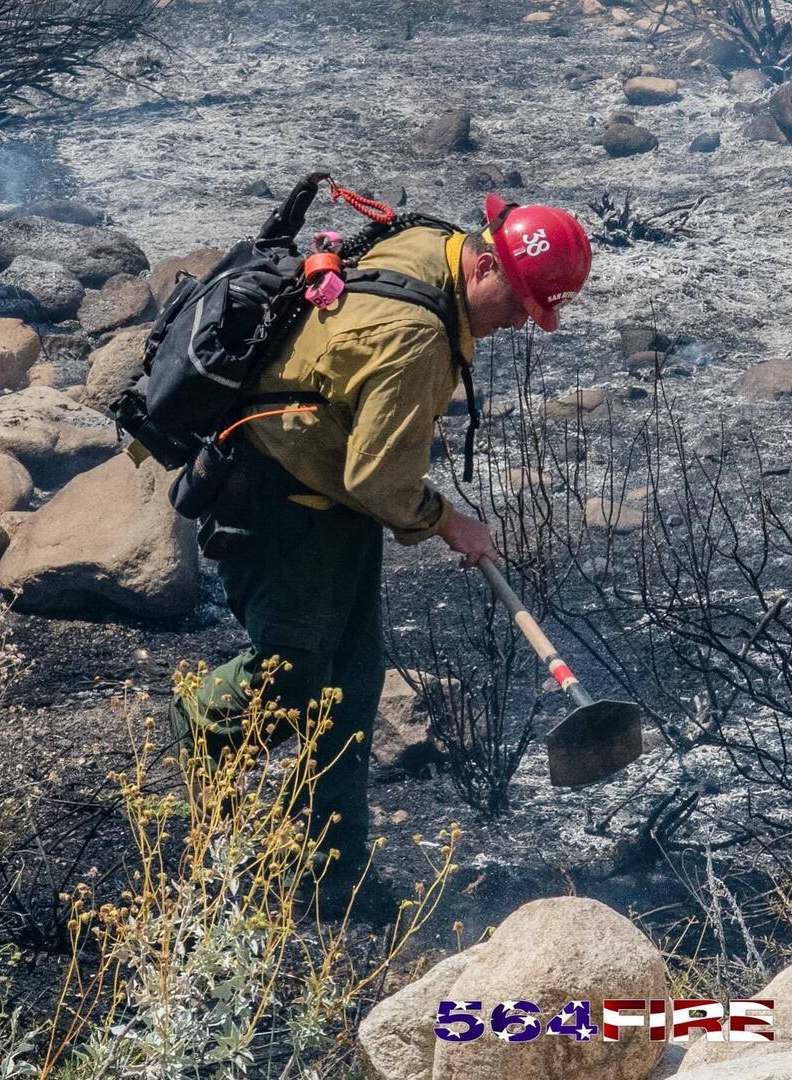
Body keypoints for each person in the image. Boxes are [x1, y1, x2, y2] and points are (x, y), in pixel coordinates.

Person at [170, 193, 592, 912]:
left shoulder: (436, 246)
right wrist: (448, 522)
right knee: (289, 677)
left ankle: (332, 878)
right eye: (520, 302)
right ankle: (199, 719)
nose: (522, 321)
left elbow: (365, 473)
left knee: (352, 688)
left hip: (329, 498)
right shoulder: (417, 338)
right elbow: (380, 478)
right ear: (486, 263)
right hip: (278, 505)